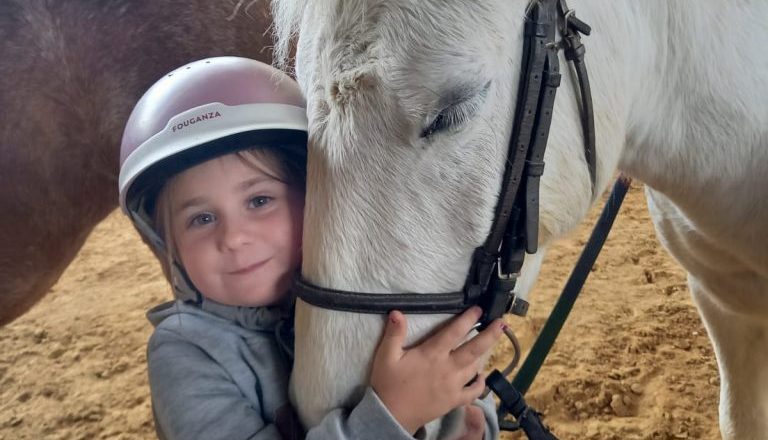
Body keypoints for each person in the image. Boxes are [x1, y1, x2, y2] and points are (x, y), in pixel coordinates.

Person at [118, 56, 503, 440]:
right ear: (166, 242)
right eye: (201, 219)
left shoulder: (368, 290)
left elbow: (461, 396)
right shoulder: (185, 352)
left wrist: (470, 424)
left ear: (315, 194)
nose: (233, 238)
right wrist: (394, 416)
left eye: (259, 201)